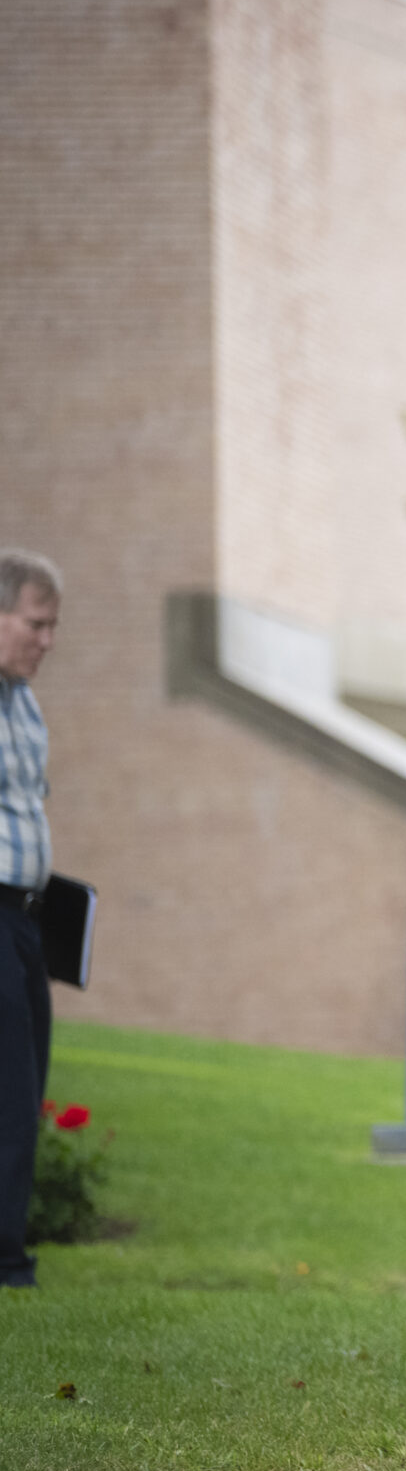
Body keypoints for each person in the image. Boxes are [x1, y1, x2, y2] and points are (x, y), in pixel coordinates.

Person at [0, 549, 62, 1290]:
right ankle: (6, 1264)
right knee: (9, 1091)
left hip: (23, 918)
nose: (47, 640)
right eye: (36, 624)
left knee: (26, 1086)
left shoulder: (24, 699)